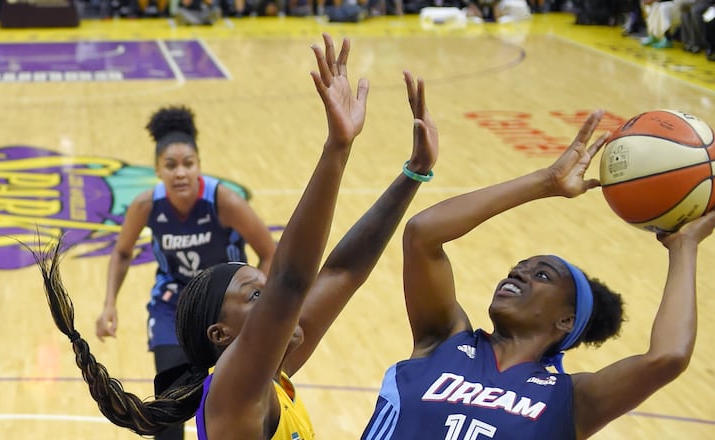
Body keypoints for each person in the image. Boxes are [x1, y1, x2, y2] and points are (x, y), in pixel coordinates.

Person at [34, 32, 439, 440]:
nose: (280, 302)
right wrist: (337, 147)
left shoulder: (273, 375)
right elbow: (291, 280)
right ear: (221, 335)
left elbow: (342, 272)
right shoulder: (232, 392)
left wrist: (414, 172)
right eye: (258, 296)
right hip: (169, 306)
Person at [361, 109, 715, 439]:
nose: (520, 274)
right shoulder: (444, 340)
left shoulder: (570, 400)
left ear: (566, 320)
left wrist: (684, 248)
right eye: (518, 269)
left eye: (541, 275)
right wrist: (545, 182)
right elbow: (423, 234)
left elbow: (666, 357)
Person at [94, 104, 276, 439]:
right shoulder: (146, 205)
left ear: (199, 167)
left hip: (224, 310)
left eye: (188, 164)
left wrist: (259, 304)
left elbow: (269, 253)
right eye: (171, 165)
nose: (180, 173)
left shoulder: (224, 201)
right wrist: (109, 304)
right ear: (157, 170)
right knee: (168, 407)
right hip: (171, 306)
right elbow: (121, 253)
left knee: (240, 399)